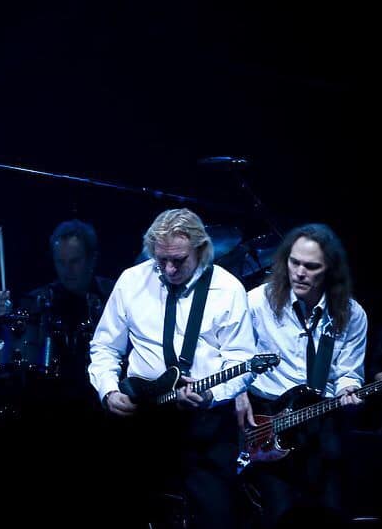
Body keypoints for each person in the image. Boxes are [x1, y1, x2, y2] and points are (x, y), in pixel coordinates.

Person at [88, 207, 256, 528]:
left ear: (201, 249)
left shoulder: (229, 289)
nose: (168, 268)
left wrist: (211, 395)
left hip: (206, 422)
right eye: (160, 259)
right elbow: (105, 347)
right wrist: (108, 390)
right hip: (144, 417)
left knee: (214, 515)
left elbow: (242, 364)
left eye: (178, 260)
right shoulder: (131, 281)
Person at [235, 223, 368, 528]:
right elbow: (232, 353)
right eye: (294, 263)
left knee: (331, 512)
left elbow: (348, 371)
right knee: (279, 516)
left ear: (330, 271)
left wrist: (349, 388)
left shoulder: (351, 313)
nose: (299, 272)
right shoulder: (257, 302)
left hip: (320, 424)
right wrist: (238, 393)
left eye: (311, 266)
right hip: (266, 421)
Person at [0, 218, 115, 403]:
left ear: (92, 259)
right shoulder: (37, 301)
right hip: (49, 400)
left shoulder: (113, 295)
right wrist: (6, 318)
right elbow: (13, 346)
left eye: (75, 261)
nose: (67, 270)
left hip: (101, 398)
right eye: (61, 262)